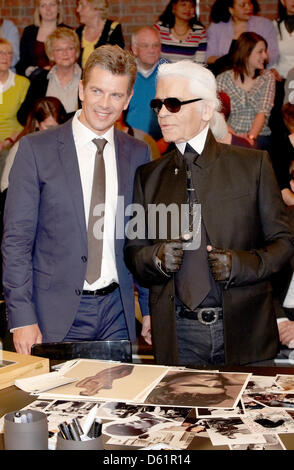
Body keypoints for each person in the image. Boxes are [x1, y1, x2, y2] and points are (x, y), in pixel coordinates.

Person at [124, 60, 294, 367]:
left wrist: (243, 265)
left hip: (245, 329)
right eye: (158, 104)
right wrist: (156, 258)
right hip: (176, 333)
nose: (162, 113)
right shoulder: (148, 176)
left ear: (205, 110)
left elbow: (283, 244)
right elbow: (134, 252)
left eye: (173, 104)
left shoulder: (253, 165)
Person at [2, 44, 151, 355]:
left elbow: (143, 239)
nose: (105, 104)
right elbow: (16, 240)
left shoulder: (138, 153)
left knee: (116, 403)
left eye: (116, 95)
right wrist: (21, 317)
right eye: (97, 91)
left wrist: (150, 309)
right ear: (81, 89)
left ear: (128, 99)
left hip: (117, 314)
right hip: (51, 315)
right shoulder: (35, 150)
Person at [216, 32, 275, 151]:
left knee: (251, 150)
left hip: (259, 136)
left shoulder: (267, 77)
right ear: (246, 53)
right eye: (260, 51)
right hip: (229, 134)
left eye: (265, 51)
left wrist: (250, 138)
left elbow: (262, 112)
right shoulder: (223, 79)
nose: (265, 56)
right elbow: (218, 114)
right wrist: (233, 137)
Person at [1, 97, 68, 193]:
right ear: (36, 123)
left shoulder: (66, 145)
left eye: (59, 126)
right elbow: (5, 186)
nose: (55, 132)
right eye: (49, 127)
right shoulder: (22, 147)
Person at [17, 27, 82, 125]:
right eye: (59, 49)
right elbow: (23, 115)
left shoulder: (87, 79)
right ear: (51, 54)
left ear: (76, 51)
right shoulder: (40, 79)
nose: (65, 53)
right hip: (45, 136)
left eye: (70, 48)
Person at [206, 0, 279, 75]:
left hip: (255, 74)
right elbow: (208, 57)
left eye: (250, 3)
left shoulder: (264, 25)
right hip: (224, 73)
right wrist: (226, 61)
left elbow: (273, 55)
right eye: (242, 5)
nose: (248, 8)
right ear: (231, 10)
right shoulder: (216, 27)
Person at [126, 26, 165, 142]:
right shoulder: (124, 74)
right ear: (134, 49)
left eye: (155, 45)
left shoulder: (170, 74)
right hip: (128, 141)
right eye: (145, 46)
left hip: (162, 145)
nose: (152, 50)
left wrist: (164, 143)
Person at [16, 0, 66, 78]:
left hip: (60, 79)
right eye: (43, 5)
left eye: (52, 4)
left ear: (59, 8)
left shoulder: (67, 32)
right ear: (38, 10)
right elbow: (22, 62)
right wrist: (29, 70)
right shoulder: (29, 32)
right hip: (34, 80)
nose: (48, 9)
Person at [0, 39, 30, 153]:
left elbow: (28, 121)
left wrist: (8, 141)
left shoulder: (23, 83)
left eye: (9, 53)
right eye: (1, 52)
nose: (5, 56)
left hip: (14, 141)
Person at [76, 0, 124, 69]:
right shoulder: (78, 32)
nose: (78, 10)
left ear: (96, 8)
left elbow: (117, 61)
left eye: (82, 6)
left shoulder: (113, 29)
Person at [272, 0, 294, 83]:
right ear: (282, 1)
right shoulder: (274, 25)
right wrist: (272, 69)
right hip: (280, 79)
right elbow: (269, 54)